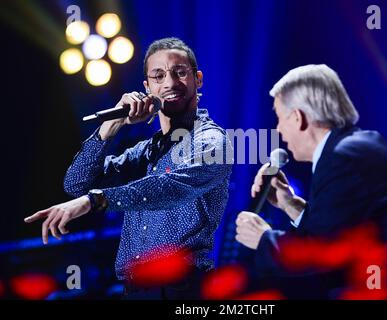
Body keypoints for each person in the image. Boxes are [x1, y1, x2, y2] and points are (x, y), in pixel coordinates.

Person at [25, 37, 232, 299]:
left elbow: (171, 187)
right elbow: (76, 183)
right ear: (147, 87)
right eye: (158, 76)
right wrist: (109, 128)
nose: (169, 83)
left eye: (180, 73)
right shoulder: (145, 151)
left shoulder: (212, 141)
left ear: (197, 79)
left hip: (183, 289)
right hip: (134, 289)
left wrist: (94, 201)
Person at [235, 64, 387, 299]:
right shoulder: (355, 146)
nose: (278, 129)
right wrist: (290, 204)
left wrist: (264, 239)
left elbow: (321, 260)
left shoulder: (342, 158)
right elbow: (337, 234)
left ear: (298, 118)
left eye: (279, 117)